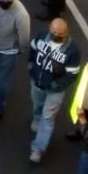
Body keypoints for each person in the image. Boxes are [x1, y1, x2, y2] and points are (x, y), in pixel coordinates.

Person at [27, 17, 81, 162]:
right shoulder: (41, 37)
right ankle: (36, 119)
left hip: (55, 90)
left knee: (48, 118)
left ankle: (38, 149)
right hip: (37, 82)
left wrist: (55, 85)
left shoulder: (72, 51)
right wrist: (31, 67)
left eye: (60, 34)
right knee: (37, 104)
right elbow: (32, 50)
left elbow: (72, 75)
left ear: (66, 33)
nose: (56, 35)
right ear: (49, 29)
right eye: (53, 31)